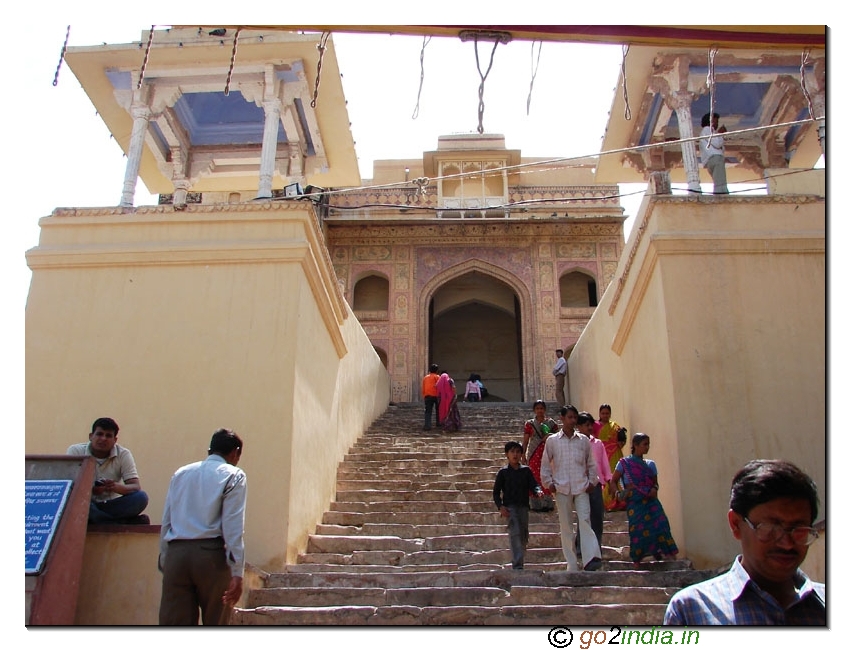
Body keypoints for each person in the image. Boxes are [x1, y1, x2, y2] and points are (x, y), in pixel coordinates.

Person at [664, 459, 824, 625]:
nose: (787, 543)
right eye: (771, 528)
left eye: (799, 529)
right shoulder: (691, 610)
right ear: (735, 524)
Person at [159, 428, 248, 626]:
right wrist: (237, 572)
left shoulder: (181, 474)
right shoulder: (234, 475)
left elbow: (167, 520)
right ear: (235, 453)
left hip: (176, 554)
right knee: (217, 620)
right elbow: (232, 526)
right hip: (211, 555)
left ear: (210, 450)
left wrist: (165, 559)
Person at [540, 405, 603, 572]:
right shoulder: (552, 441)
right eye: (570, 417)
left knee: (585, 520)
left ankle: (590, 559)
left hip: (581, 486)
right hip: (561, 488)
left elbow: (591, 463)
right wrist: (548, 483)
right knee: (566, 526)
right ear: (562, 418)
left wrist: (592, 482)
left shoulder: (583, 441)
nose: (573, 420)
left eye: (575, 417)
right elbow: (545, 464)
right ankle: (572, 563)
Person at [609, 433, 678, 568]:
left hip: (650, 500)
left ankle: (664, 554)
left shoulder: (650, 464)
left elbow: (655, 483)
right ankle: (637, 560)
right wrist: (618, 494)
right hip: (635, 502)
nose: (647, 447)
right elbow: (613, 481)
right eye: (644, 444)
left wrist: (654, 489)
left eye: (648, 444)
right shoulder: (624, 463)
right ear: (635, 445)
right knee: (637, 530)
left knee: (661, 524)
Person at [66, 417, 149, 524]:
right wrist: (90, 490)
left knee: (141, 498)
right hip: (86, 504)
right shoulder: (76, 451)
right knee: (73, 502)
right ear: (91, 436)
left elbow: (135, 487)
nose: (103, 439)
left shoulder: (123, 454)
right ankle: (118, 522)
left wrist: (114, 487)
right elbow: (69, 487)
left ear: (115, 440)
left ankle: (99, 520)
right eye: (99, 434)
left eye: (108, 435)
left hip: (110, 505)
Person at [493, 441, 544, 570]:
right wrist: (500, 506)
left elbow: (534, 484)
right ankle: (517, 565)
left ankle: (520, 558)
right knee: (515, 532)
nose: (515, 455)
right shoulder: (503, 472)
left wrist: (538, 491)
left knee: (523, 534)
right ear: (507, 454)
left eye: (518, 452)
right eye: (512, 452)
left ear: (521, 454)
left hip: (523, 507)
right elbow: (496, 492)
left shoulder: (526, 471)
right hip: (510, 508)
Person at [576, 411, 612, 550]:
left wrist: (609, 480)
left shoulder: (597, 443)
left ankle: (596, 547)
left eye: (591, 425)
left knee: (597, 515)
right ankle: (581, 547)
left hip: (596, 484)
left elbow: (604, 462)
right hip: (580, 485)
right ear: (579, 427)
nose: (590, 428)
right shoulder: (574, 443)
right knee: (583, 516)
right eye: (586, 425)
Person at [521, 400, 559, 512]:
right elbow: (525, 440)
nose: (539, 411)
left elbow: (558, 437)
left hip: (547, 453)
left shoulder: (551, 423)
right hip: (534, 453)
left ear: (545, 409)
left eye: (541, 408)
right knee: (535, 477)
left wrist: (549, 435)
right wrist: (523, 455)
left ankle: (548, 503)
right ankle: (535, 503)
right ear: (534, 410)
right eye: (537, 408)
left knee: (547, 477)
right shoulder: (530, 424)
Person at [593, 404, 627, 510]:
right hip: (602, 455)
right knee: (605, 477)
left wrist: (621, 442)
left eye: (607, 413)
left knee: (616, 476)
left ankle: (619, 501)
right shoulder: (595, 425)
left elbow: (621, 440)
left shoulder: (615, 426)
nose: (605, 415)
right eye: (603, 413)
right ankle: (607, 502)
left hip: (615, 455)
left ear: (610, 414)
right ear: (599, 414)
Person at [699, 112, 728, 194]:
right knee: (720, 183)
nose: (717, 124)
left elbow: (720, 148)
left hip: (712, 160)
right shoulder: (707, 129)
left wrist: (718, 134)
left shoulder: (710, 132)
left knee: (718, 180)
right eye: (715, 121)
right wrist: (720, 134)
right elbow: (717, 144)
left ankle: (721, 194)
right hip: (715, 158)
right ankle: (722, 197)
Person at [422, 363, 440, 430]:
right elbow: (439, 386)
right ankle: (439, 423)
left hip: (428, 395)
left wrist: (424, 395)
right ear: (437, 370)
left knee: (428, 411)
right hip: (436, 395)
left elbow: (423, 387)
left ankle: (427, 425)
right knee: (438, 410)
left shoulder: (425, 378)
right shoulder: (437, 377)